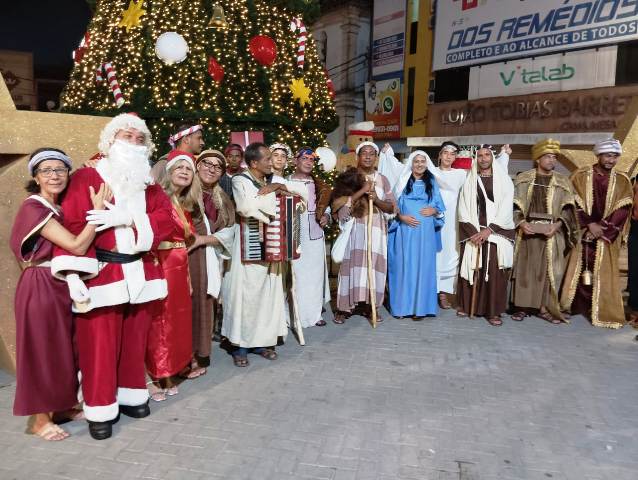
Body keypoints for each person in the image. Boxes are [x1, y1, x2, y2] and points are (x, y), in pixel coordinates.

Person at [51, 113, 174, 440]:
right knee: (99, 347)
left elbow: (167, 219)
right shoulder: (87, 177)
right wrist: (74, 274)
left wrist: (131, 220)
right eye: (127, 136)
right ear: (110, 141)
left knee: (135, 343)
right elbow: (72, 225)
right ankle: (100, 408)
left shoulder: (147, 182)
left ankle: (132, 393)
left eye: (139, 139)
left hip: (141, 274)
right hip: (102, 274)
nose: (133, 144)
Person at [10, 148, 111, 441]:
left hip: (59, 283)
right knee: (43, 352)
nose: (54, 175)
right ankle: (39, 421)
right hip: (40, 285)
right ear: (35, 176)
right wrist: (98, 213)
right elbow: (77, 246)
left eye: (60, 170)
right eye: (46, 170)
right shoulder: (34, 207)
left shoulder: (57, 205)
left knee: (67, 350)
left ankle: (63, 407)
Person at [381, 142, 511, 310]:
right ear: (440, 155)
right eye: (445, 153)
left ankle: (443, 292)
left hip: (452, 221)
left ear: (456, 156)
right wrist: (389, 155)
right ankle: (427, 292)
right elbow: (404, 170)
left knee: (449, 255)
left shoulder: (462, 174)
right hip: (428, 223)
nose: (449, 156)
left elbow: (488, 169)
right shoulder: (429, 171)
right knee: (429, 256)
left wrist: (504, 156)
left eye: (453, 153)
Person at [219, 143, 307, 367]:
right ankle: (239, 346)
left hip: (272, 245)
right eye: (267, 158)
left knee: (267, 295)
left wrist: (276, 186)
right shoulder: (240, 180)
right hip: (247, 244)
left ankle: (261, 342)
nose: (272, 162)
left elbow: (301, 193)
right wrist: (275, 193)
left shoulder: (271, 180)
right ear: (254, 163)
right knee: (244, 296)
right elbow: (247, 207)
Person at [560, 139, 632, 329]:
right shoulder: (580, 175)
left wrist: (602, 229)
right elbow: (571, 202)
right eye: (608, 155)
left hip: (607, 235)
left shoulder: (623, 180)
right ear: (598, 155)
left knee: (603, 271)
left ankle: (601, 310)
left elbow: (624, 209)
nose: (611, 160)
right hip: (583, 230)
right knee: (578, 267)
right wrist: (589, 225)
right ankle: (573, 306)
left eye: (615, 156)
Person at [146, 150, 199, 397]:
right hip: (162, 263)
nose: (184, 172)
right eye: (179, 167)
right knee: (161, 319)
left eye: (188, 169)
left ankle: (174, 367)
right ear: (168, 172)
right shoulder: (157, 197)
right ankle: (158, 374)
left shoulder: (185, 204)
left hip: (180, 265)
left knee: (177, 318)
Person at [510, 139, 578, 324]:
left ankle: (544, 308)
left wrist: (556, 226)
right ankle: (522, 307)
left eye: (554, 157)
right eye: (548, 156)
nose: (551, 160)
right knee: (525, 271)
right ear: (538, 159)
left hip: (551, 234)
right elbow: (513, 206)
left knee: (547, 272)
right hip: (527, 233)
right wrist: (522, 223)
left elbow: (569, 210)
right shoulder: (523, 179)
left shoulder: (563, 182)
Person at [331, 142, 396, 324]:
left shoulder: (383, 179)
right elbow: (338, 203)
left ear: (376, 157)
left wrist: (376, 200)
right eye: (364, 153)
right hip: (354, 227)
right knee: (351, 266)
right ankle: (344, 308)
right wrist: (363, 191)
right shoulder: (349, 177)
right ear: (358, 157)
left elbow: (391, 207)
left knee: (374, 267)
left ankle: (371, 306)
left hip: (376, 229)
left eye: (372, 153)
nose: (368, 156)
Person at [456, 145, 515, 326]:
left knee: (494, 271)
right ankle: (468, 306)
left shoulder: (504, 180)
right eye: (480, 156)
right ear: (476, 158)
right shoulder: (470, 180)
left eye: (487, 155)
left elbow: (506, 209)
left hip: (496, 232)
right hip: (474, 232)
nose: (483, 158)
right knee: (473, 269)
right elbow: (463, 207)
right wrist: (474, 233)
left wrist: (488, 231)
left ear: (492, 157)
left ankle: (493, 311)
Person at [187, 149, 236, 372]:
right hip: (187, 258)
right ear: (197, 165)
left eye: (218, 167)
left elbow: (231, 230)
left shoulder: (222, 198)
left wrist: (204, 239)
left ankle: (200, 353)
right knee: (186, 307)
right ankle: (183, 356)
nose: (212, 169)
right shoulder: (185, 192)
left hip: (210, 258)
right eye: (207, 164)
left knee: (206, 305)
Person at [386, 151, 445, 318]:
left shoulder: (432, 182)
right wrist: (402, 217)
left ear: (427, 164)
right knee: (403, 267)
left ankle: (421, 308)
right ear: (411, 164)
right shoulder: (403, 181)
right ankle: (402, 308)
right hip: (405, 232)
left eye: (422, 161)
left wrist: (434, 210)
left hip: (425, 234)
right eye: (416, 161)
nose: (419, 164)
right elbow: (393, 206)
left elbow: (439, 208)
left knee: (422, 268)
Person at [287, 148, 332, 327]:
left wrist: (326, 216)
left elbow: (327, 206)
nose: (308, 162)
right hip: (293, 230)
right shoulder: (285, 181)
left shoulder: (319, 183)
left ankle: (313, 315)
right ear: (295, 161)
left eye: (311, 160)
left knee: (314, 274)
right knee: (294, 272)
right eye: (304, 158)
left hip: (313, 231)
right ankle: (292, 314)